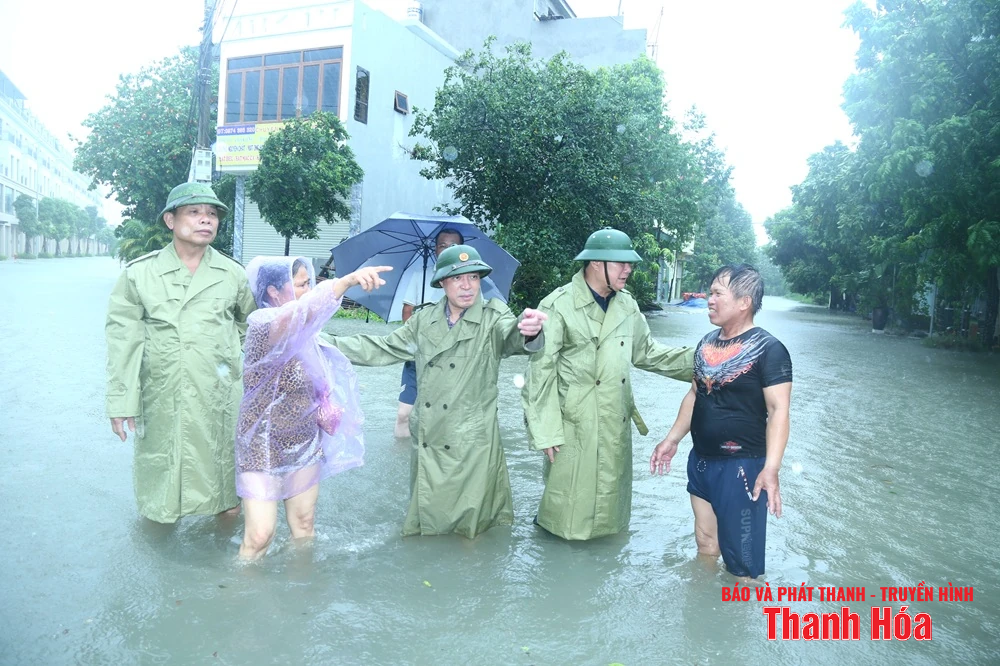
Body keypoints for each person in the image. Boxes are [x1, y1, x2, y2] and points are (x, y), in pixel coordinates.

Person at [329, 245, 547, 538]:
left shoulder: (493, 316)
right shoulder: (423, 320)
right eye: (457, 278)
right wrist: (325, 343)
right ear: (442, 282)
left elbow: (511, 336)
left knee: (471, 531)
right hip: (430, 436)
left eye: (474, 277)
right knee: (428, 526)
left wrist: (529, 330)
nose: (467, 286)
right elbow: (381, 348)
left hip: (472, 443)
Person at [522, 227, 694, 540]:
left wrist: (705, 360)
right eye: (620, 263)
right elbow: (540, 373)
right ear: (595, 263)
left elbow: (646, 352)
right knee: (565, 510)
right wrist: (545, 432)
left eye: (629, 263)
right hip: (574, 423)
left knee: (609, 512)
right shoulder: (558, 305)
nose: (628, 269)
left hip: (615, 418)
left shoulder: (627, 305)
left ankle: (605, 558)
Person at [105, 182, 257, 523]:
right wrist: (121, 403)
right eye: (195, 212)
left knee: (226, 489)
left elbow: (252, 327)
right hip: (162, 395)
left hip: (218, 396)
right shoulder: (140, 274)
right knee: (160, 492)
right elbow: (123, 343)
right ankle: (160, 548)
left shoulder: (232, 274)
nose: (206, 219)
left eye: (212, 213)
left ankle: (222, 550)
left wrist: (228, 360)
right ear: (170, 220)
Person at [236, 257, 390, 560]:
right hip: (261, 444)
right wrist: (345, 281)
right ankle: (238, 585)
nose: (309, 289)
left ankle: (301, 585)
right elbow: (302, 312)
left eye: (311, 283)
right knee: (259, 535)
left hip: (304, 439)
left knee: (304, 526)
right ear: (273, 291)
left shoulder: (310, 335)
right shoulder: (263, 325)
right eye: (303, 284)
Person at [650, 264, 792, 579]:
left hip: (742, 468)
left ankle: (743, 608)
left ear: (744, 302)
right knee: (705, 543)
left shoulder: (770, 350)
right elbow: (694, 394)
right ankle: (702, 602)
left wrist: (771, 468)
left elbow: (779, 411)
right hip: (701, 461)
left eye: (717, 293)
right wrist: (672, 439)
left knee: (742, 565)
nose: (709, 299)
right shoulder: (706, 343)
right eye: (710, 292)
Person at [394, 227, 464, 439]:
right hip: (418, 353)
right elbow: (407, 311)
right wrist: (418, 332)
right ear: (435, 250)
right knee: (404, 414)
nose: (447, 250)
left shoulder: (467, 283)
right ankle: (402, 452)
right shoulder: (420, 275)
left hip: (451, 358)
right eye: (442, 246)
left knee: (443, 416)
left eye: (453, 246)